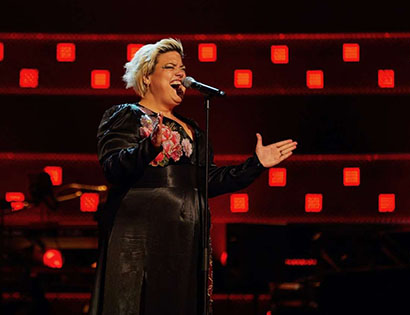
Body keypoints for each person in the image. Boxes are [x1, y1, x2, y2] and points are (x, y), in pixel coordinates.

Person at [90, 38, 297, 315]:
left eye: (182, 68)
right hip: (141, 232)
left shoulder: (193, 129)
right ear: (147, 77)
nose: (181, 73)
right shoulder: (127, 114)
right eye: (170, 67)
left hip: (185, 234)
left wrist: (256, 164)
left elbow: (208, 180)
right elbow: (113, 166)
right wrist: (147, 148)